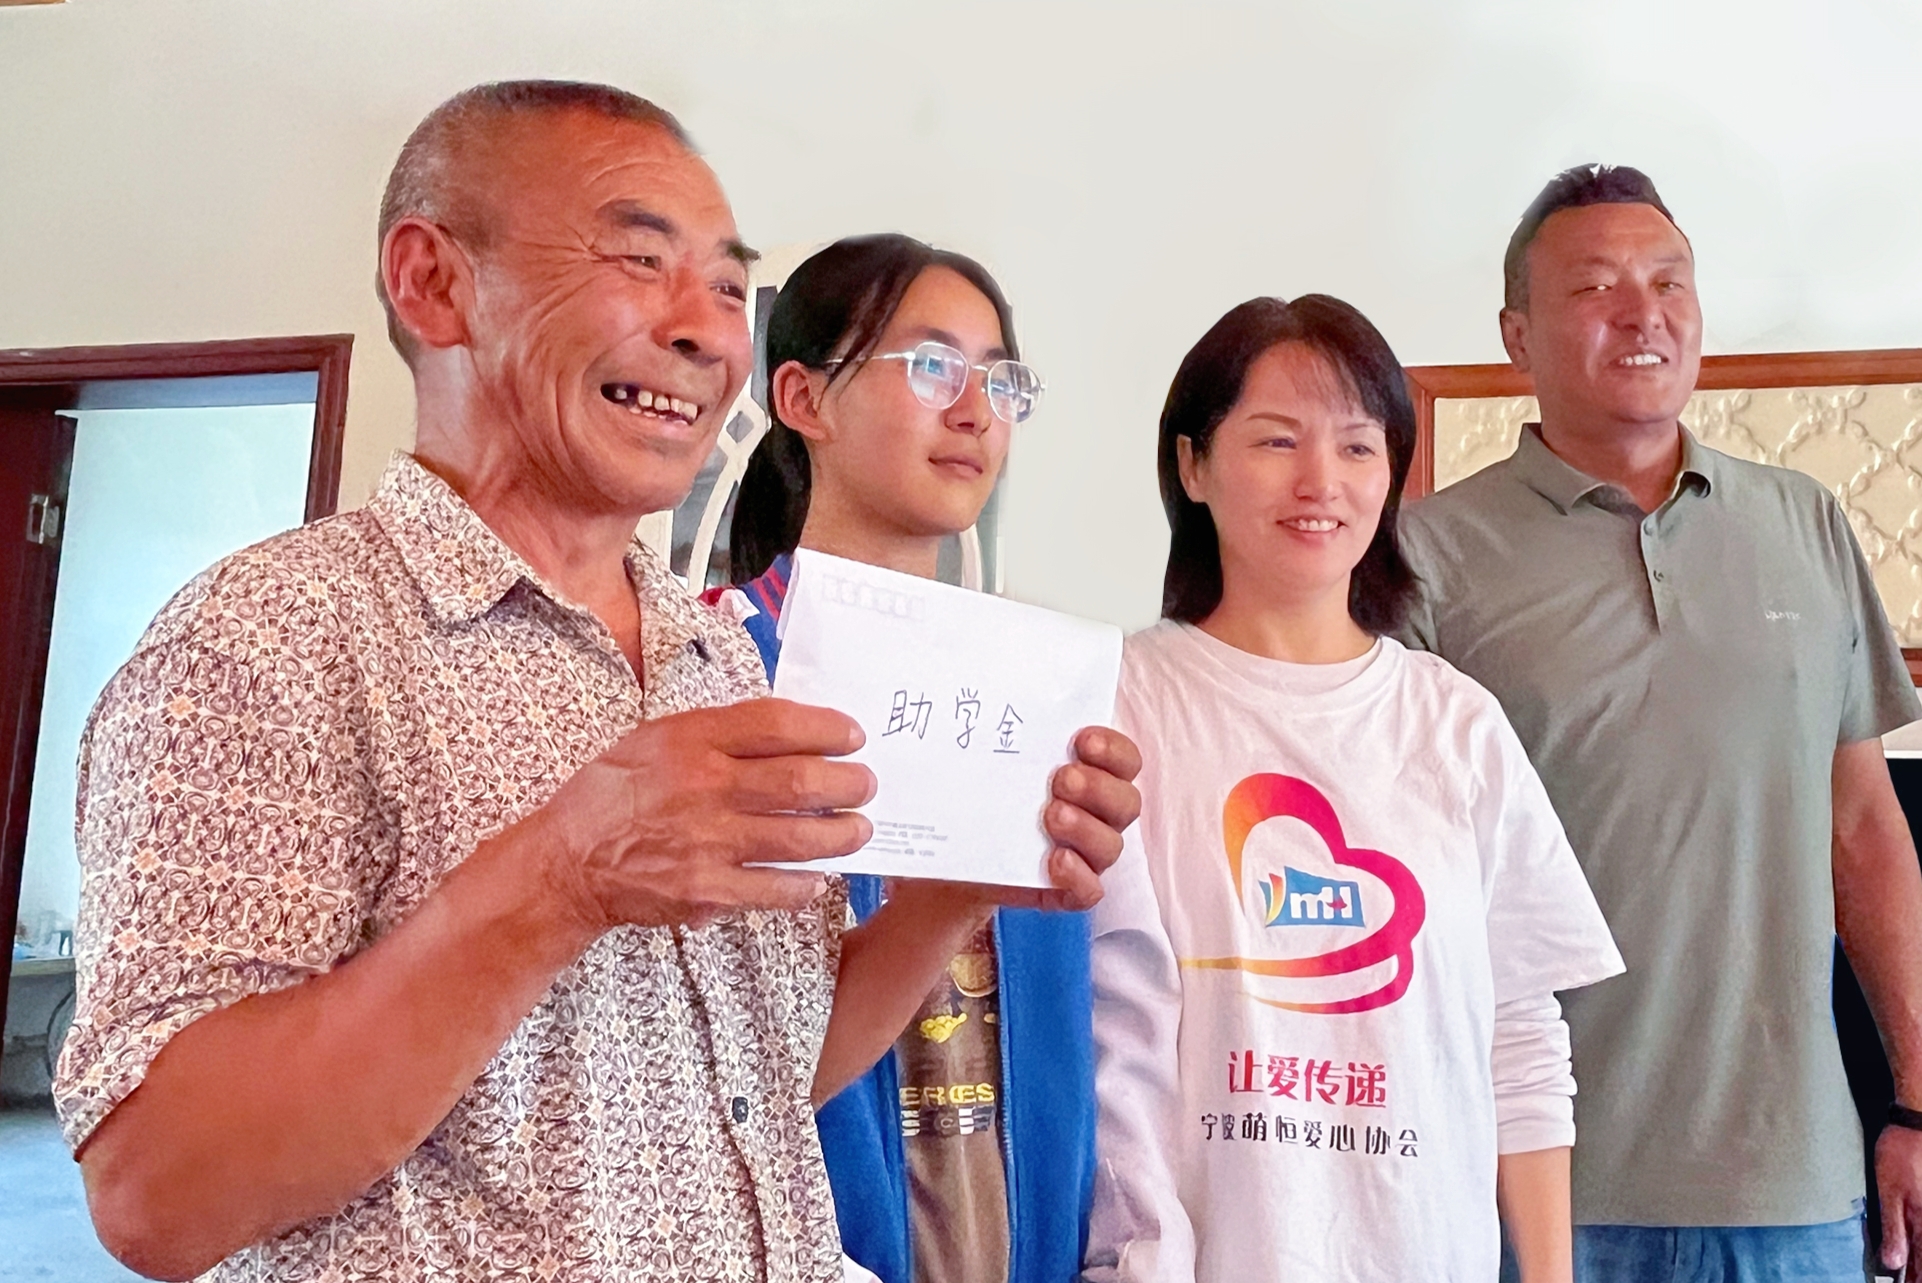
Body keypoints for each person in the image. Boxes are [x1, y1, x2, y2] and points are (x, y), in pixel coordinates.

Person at [50, 81, 1142, 1283]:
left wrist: (950, 895)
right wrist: (559, 878)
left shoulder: (715, 657)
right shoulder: (270, 640)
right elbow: (157, 1194)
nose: (707, 333)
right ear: (433, 283)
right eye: (639, 258)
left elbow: (767, 1075)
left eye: (725, 286)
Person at [1397, 163, 1922, 1282]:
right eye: (1595, 287)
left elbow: (1864, 827)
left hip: (1793, 1189)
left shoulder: (1804, 522)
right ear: (1517, 335)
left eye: (1668, 281)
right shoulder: (1425, 558)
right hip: (1527, 1183)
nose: (1643, 313)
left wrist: (1917, 1101)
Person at [1084, 294, 1624, 1282]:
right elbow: (1107, 1038)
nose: (1319, 480)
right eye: (1275, 440)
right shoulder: (1118, 701)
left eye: (1357, 445)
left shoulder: (1455, 722)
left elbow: (1519, 1036)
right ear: (1192, 465)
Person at [715, 232, 1092, 1283]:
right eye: (931, 366)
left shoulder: (1034, 685)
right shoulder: (714, 669)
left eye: (1001, 381)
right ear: (803, 397)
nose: (975, 411)